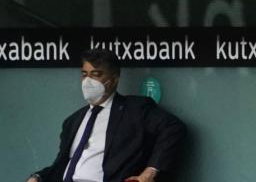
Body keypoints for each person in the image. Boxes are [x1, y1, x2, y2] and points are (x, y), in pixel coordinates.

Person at [26, 49, 186, 182]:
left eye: (96, 74)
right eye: (84, 74)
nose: (87, 81)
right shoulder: (73, 121)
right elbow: (62, 165)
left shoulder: (135, 109)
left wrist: (150, 171)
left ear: (113, 79)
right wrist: (38, 177)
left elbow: (173, 128)